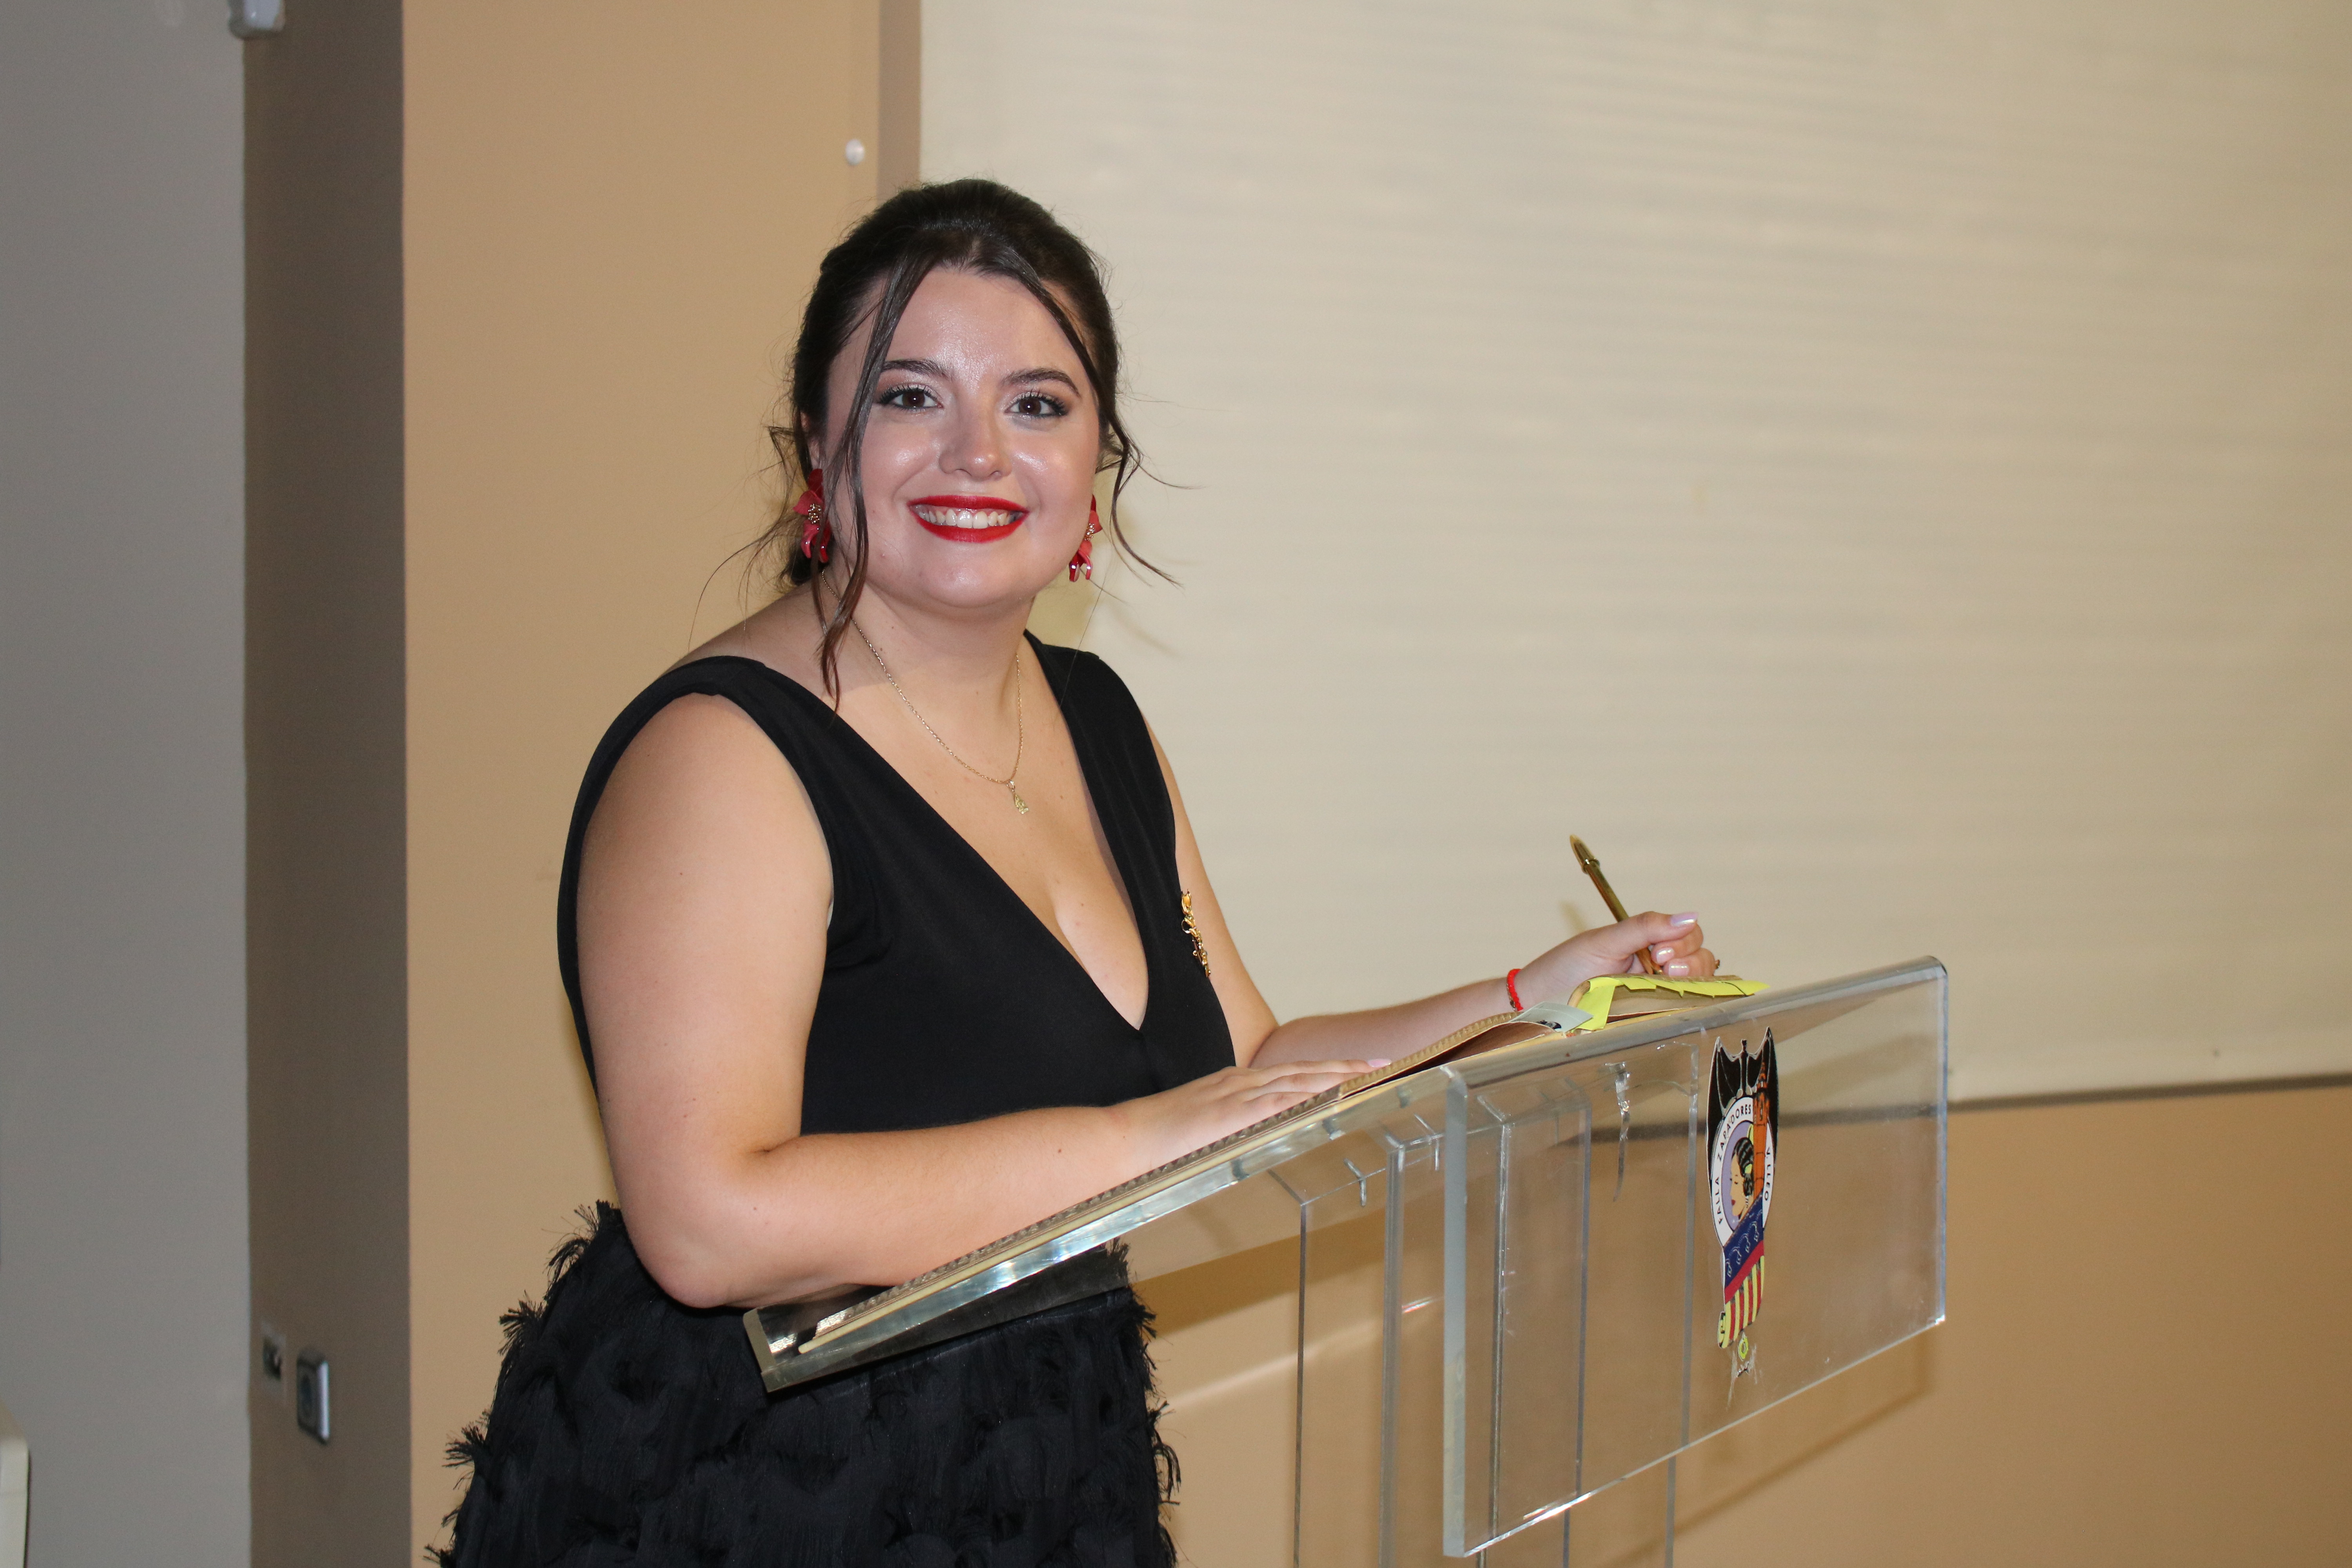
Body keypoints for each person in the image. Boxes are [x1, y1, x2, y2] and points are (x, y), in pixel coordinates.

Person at [437, 179, 1716, 1568]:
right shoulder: (722, 754)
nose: (977, 454)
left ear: (1096, 458)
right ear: (818, 441)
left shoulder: (1097, 715)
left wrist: (1536, 999)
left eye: (1037, 405)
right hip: (756, 1489)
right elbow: (707, 1223)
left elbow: (1251, 1065)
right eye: (911, 397)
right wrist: (1134, 1142)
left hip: (1040, 1449)